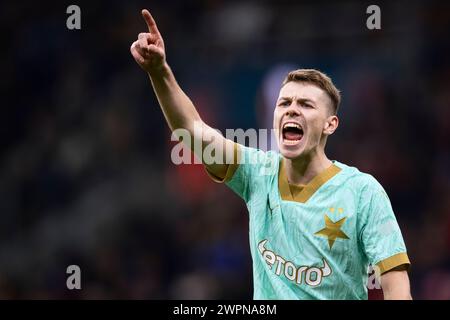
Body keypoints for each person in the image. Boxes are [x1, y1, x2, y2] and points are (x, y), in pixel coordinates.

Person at [130, 9, 412, 300]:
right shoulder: (257, 172)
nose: (291, 109)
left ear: (331, 124)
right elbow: (192, 129)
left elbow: (395, 285)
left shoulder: (363, 192)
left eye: (305, 104)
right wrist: (160, 73)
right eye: (284, 102)